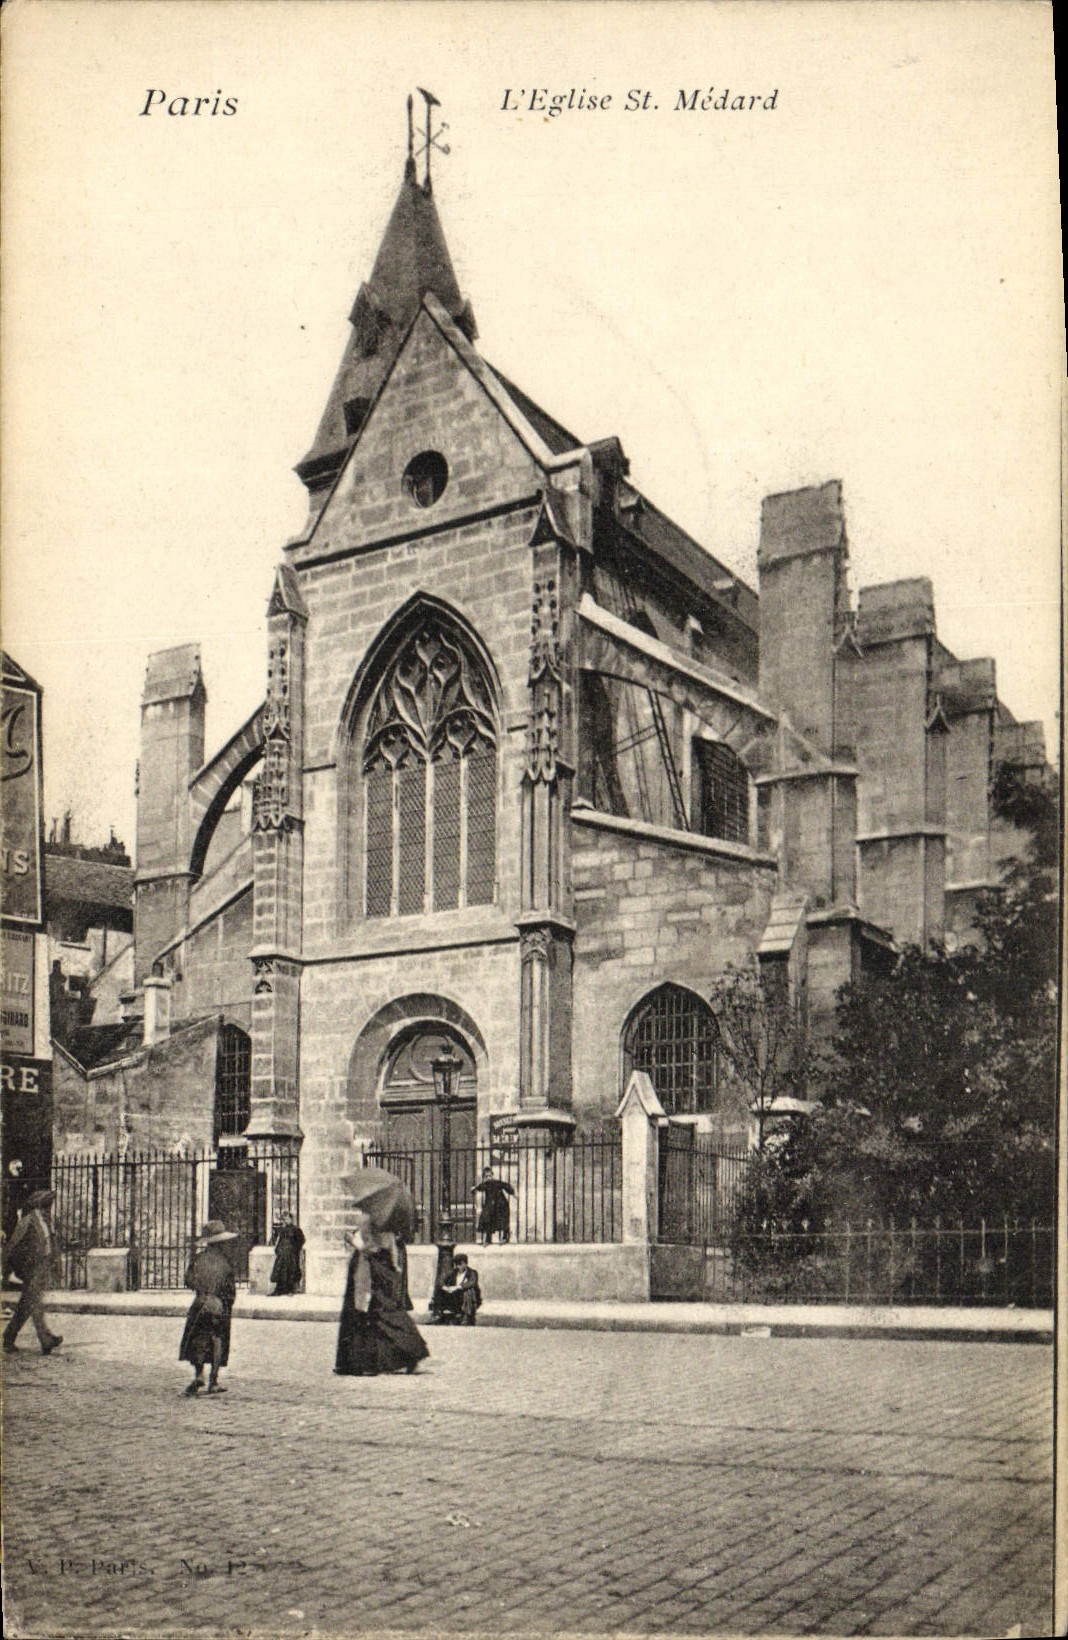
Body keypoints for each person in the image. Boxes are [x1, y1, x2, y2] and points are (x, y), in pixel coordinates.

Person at [335, 1211, 429, 1377]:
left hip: (370, 1272)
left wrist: (354, 1241)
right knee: (382, 1314)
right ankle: (380, 1359)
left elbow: (371, 1249)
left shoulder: (373, 1221)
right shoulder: (386, 1223)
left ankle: (362, 1361)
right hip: (377, 1271)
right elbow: (390, 1251)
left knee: (373, 1314)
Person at [179, 1220, 237, 1396]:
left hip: (199, 1303)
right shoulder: (225, 1263)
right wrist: (226, 1303)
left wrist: (201, 1290)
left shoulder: (198, 1259)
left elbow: (188, 1280)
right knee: (217, 1340)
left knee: (198, 1339)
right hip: (218, 1304)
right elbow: (230, 1289)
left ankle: (198, 1375)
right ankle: (214, 1381)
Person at [3, 1189, 62, 1356]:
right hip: (30, 1269)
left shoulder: (45, 1222)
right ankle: (45, 1339)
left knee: (28, 1304)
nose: (49, 1209)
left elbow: (49, 1245)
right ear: (40, 1206)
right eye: (47, 1205)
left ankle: (9, 1337)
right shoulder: (28, 1221)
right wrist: (6, 1270)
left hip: (42, 1267)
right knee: (34, 1303)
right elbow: (12, 1246)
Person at [434, 1252, 481, 1325]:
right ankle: (440, 1314)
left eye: (460, 1264)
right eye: (457, 1264)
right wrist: (445, 1287)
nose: (458, 1267)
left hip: (469, 1298)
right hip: (455, 1296)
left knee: (469, 1291)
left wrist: (458, 1287)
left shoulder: (472, 1272)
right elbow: (440, 1280)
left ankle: (466, 1315)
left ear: (465, 1264)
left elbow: (472, 1282)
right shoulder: (453, 1272)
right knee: (440, 1290)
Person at [473, 1167, 515, 1244]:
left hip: (501, 1205)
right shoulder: (485, 1185)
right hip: (491, 1206)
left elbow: (506, 1186)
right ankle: (488, 1239)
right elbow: (480, 1187)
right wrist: (474, 1188)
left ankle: (505, 1237)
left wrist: (513, 1193)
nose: (489, 1178)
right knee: (487, 1220)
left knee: (503, 1222)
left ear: (492, 1175)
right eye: (486, 1176)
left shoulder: (497, 1183)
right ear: (484, 1178)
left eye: (490, 1176)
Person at [269, 1210, 305, 1296]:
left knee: (291, 1271)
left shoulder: (296, 1230)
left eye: (288, 1219)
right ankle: (278, 1290)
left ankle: (290, 1290)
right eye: (284, 1219)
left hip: (291, 1255)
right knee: (280, 1271)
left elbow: (301, 1240)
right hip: (282, 1255)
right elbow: (279, 1241)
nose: (286, 1220)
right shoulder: (282, 1230)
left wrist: (294, 1249)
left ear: (291, 1219)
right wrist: (278, 1250)